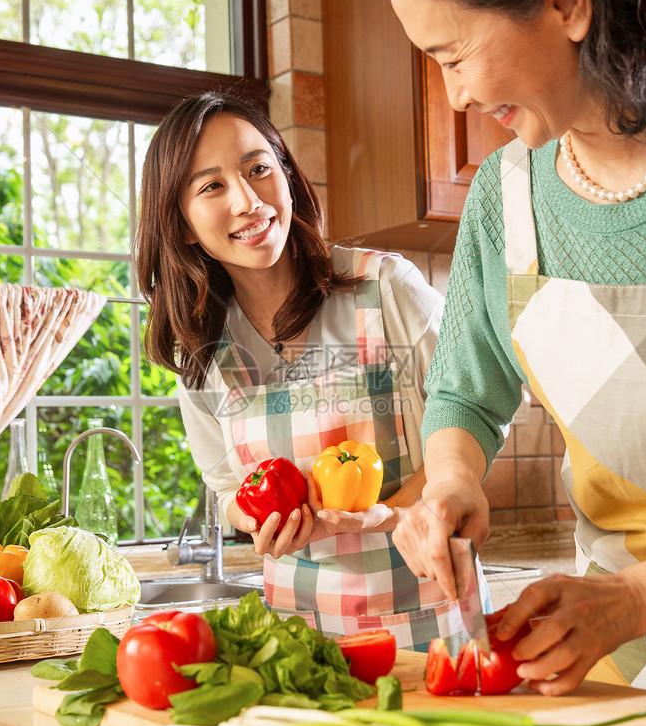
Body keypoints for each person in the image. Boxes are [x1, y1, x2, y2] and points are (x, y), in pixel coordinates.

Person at [359, 0, 646, 698]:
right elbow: (464, 386)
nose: (451, 98)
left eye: (452, 55)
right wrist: (450, 479)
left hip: (631, 613)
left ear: (564, 3)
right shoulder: (507, 194)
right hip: (627, 665)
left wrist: (635, 597)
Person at [136, 91, 449, 647]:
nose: (248, 200)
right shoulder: (204, 349)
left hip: (431, 626)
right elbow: (228, 486)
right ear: (181, 225)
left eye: (259, 169)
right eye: (211, 186)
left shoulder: (385, 289)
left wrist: (392, 513)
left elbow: (472, 425)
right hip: (298, 646)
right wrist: (258, 519)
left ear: (286, 173)